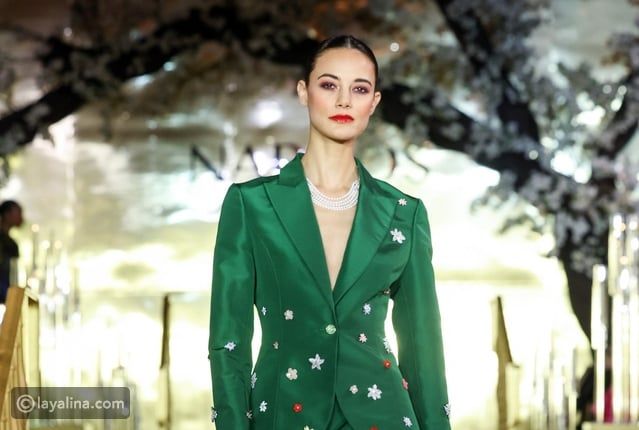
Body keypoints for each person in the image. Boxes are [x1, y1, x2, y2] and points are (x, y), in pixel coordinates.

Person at [208, 35, 451, 430]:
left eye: (359, 89)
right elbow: (228, 341)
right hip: (283, 414)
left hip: (383, 414)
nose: (344, 101)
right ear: (304, 92)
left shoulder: (403, 214)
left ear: (374, 102)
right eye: (329, 85)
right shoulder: (251, 205)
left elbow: (424, 348)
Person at [0, 200, 23, 304]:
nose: (21, 217)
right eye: (18, 212)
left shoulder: (11, 243)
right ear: (7, 214)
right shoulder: (8, 243)